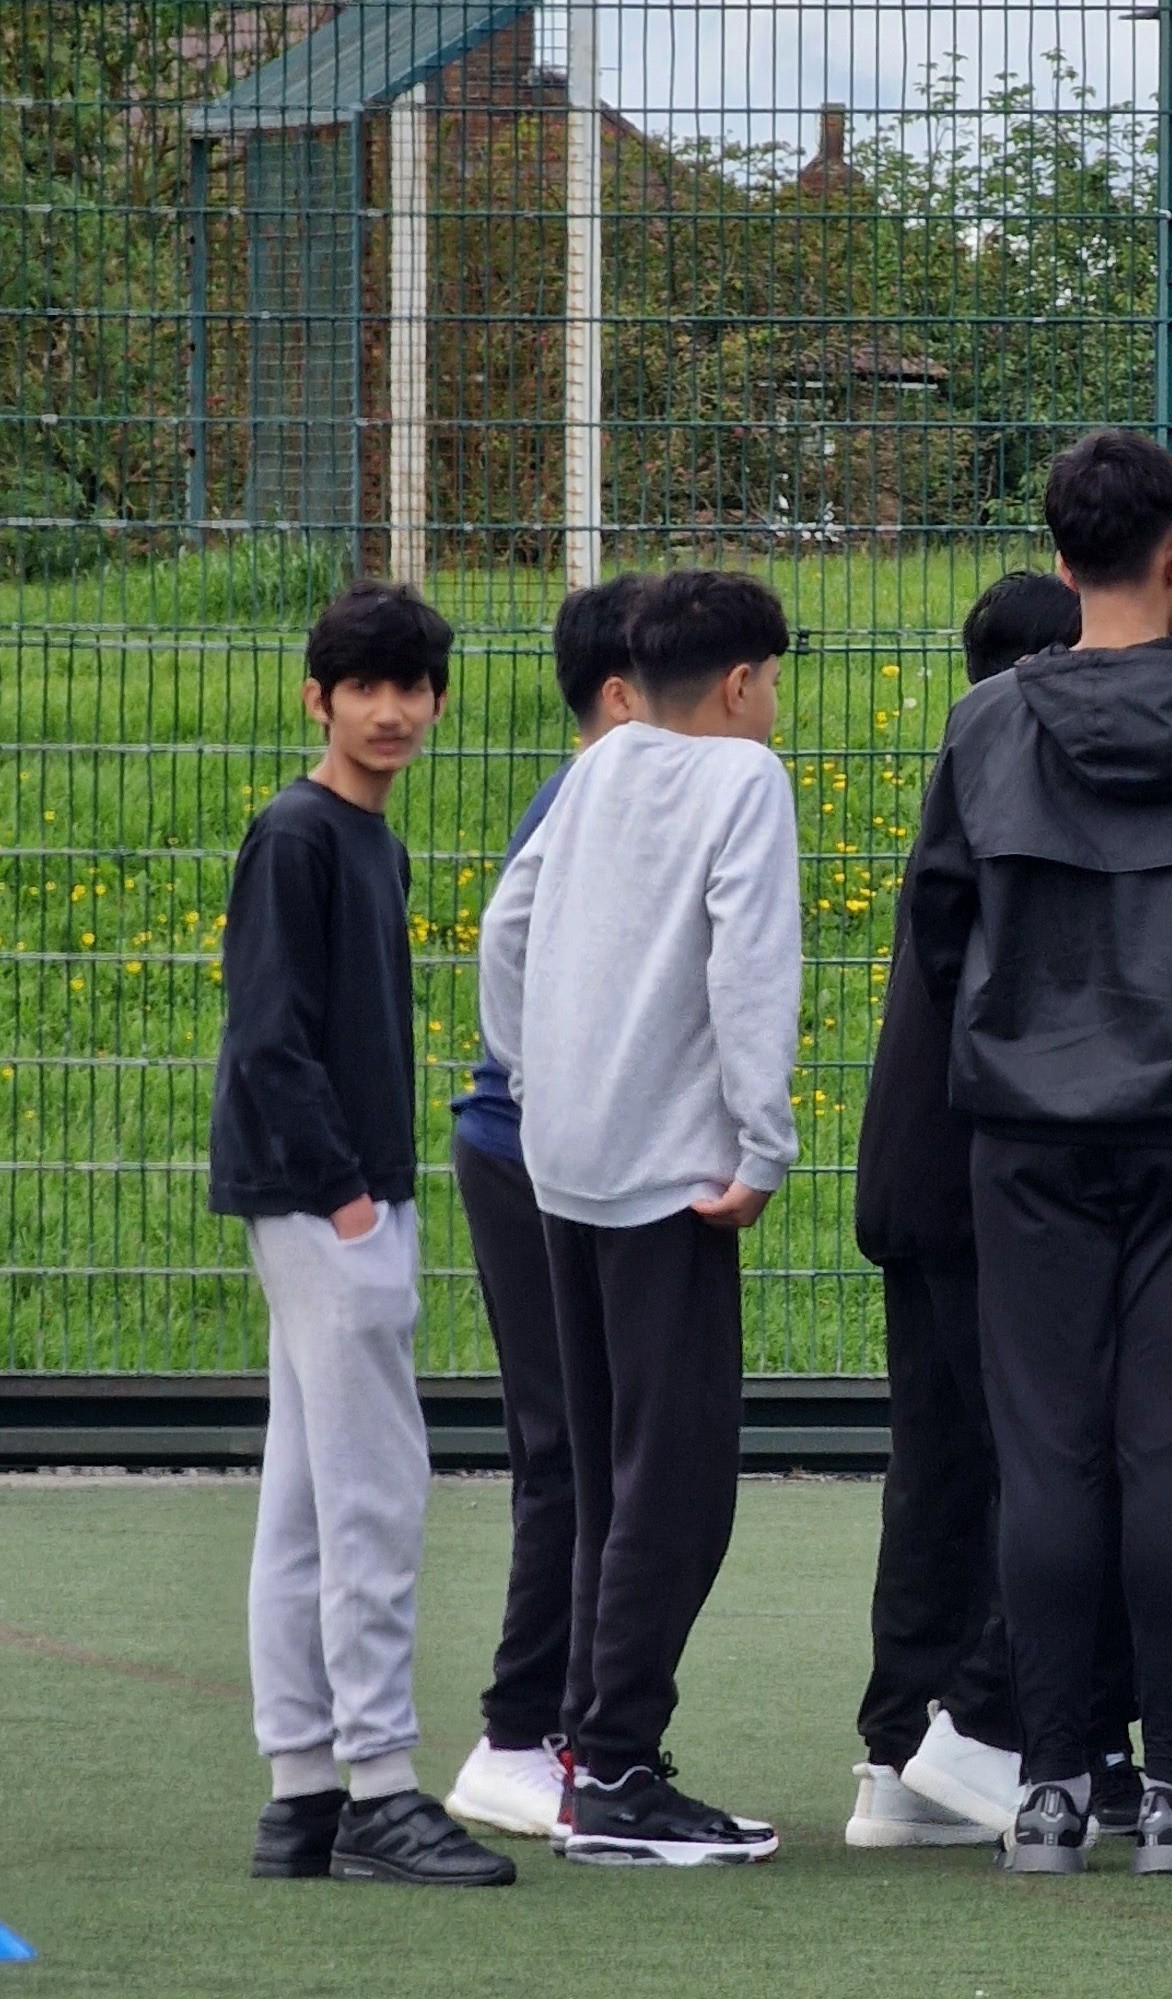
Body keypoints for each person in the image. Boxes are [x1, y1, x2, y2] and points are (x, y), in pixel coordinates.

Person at [906, 430, 1172, 1875]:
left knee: (1045, 1452)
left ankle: (1045, 1786)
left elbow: (939, 930)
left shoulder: (986, 727)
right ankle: (1171, 1795)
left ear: (1057, 556)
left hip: (1027, 1127)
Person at [478, 569, 802, 1866]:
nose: (776, 702)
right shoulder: (745, 782)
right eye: (773, 679)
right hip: (675, 1177)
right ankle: (616, 1767)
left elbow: (507, 926)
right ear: (736, 682)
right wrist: (761, 1140)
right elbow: (749, 960)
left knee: (607, 1464)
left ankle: (581, 1741)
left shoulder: (603, 764)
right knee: (676, 1480)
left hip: (563, 1161)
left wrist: (532, 1072)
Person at [214, 581, 515, 1887]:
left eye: (412, 687)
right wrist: (348, 1194)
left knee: (304, 1502)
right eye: (364, 687)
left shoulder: (363, 838)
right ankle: (382, 1784)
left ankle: (303, 1796)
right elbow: (266, 1036)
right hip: (326, 1200)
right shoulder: (299, 832)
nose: (390, 711)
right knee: (376, 1492)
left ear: (439, 698)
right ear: (316, 698)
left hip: (332, 1196)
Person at [847, 570, 1146, 1849]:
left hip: (914, 1175)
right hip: (989, 1180)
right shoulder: (1016, 783)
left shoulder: (960, 773)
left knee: (941, 1470)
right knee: (1035, 1462)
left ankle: (898, 1752)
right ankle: (976, 1733)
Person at [443, 575, 642, 1842]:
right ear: (623, 697)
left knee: (589, 1445)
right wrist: (537, 1086)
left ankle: (559, 1720)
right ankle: (518, 1730)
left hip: (542, 1144)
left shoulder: (611, 794)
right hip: (526, 1151)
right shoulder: (590, 795)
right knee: (564, 1448)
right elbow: (502, 943)